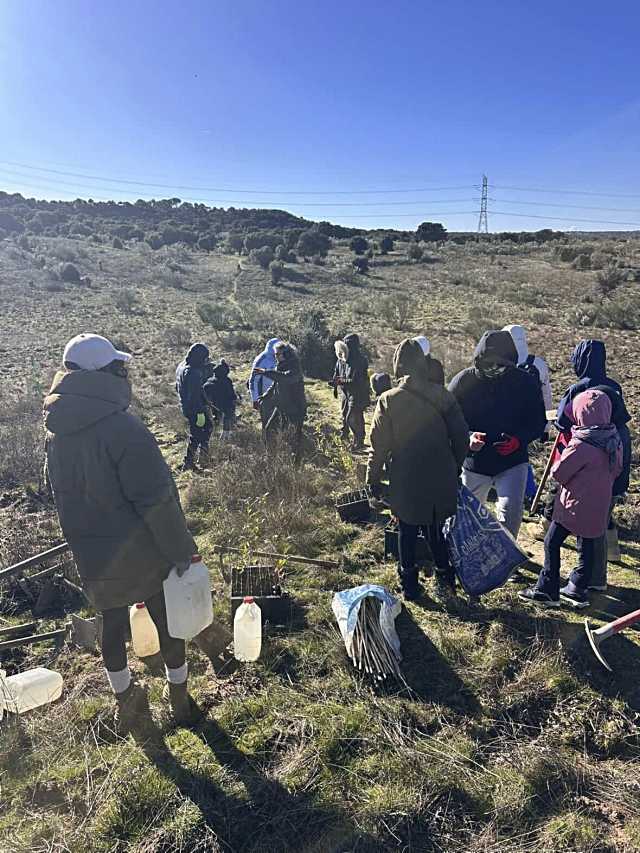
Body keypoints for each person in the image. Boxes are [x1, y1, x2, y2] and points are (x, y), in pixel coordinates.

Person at [43, 334, 199, 730]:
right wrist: (181, 549)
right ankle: (178, 697)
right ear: (105, 373)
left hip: (91, 553)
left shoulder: (56, 435)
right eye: (119, 366)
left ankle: (125, 702)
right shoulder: (123, 429)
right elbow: (156, 500)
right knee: (168, 622)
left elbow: (58, 494)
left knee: (111, 624)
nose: (124, 370)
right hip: (140, 551)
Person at [367, 339, 469, 600]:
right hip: (440, 476)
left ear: (398, 366)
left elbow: (378, 446)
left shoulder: (388, 400)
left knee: (407, 529)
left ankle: (409, 584)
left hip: (405, 478)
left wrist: (374, 479)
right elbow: (461, 439)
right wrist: (453, 468)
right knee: (435, 528)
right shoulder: (443, 395)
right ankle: (445, 583)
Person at [537, 339, 632, 586]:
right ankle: (596, 577)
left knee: (581, 518)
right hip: (614, 455)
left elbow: (562, 421)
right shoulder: (614, 387)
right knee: (599, 518)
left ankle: (579, 581)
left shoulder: (579, 390)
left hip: (583, 463)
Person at [519, 389, 622, 608]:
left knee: (552, 541)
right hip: (599, 505)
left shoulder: (581, 444)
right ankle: (577, 588)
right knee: (587, 543)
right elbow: (617, 469)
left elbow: (559, 473)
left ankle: (547, 589)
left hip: (574, 504)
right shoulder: (614, 439)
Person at [448, 330, 547, 540]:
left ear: (511, 361)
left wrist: (519, 440)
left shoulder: (525, 382)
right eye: (488, 364)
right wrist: (467, 438)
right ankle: (467, 559)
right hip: (474, 462)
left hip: (512, 462)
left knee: (510, 513)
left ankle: (505, 561)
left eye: (500, 364)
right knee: (467, 514)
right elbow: (447, 420)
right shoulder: (463, 382)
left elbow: (538, 421)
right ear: (478, 359)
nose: (494, 369)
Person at [254, 342, 307, 461]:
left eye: (278, 354)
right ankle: (271, 457)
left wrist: (266, 372)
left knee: (294, 437)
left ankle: (296, 463)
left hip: (295, 408)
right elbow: (275, 384)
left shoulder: (294, 367)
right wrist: (265, 396)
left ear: (287, 354)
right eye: (275, 354)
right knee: (269, 430)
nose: (276, 357)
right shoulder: (280, 365)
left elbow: (285, 378)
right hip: (281, 407)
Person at [176, 343, 213, 471]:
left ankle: (199, 457)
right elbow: (194, 394)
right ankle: (191, 461)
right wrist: (200, 412)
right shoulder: (194, 373)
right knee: (199, 432)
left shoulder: (182, 366)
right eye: (205, 358)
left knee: (200, 431)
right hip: (195, 409)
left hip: (187, 406)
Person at [332, 333, 370, 450]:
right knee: (345, 415)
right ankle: (345, 436)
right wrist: (335, 382)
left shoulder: (360, 361)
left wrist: (339, 381)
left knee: (353, 417)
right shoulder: (342, 358)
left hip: (358, 393)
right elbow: (337, 372)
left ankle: (359, 441)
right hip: (346, 392)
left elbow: (354, 380)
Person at [203, 359, 240, 439]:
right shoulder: (227, 381)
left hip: (212, 405)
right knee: (229, 412)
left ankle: (214, 431)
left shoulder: (209, 381)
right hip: (225, 405)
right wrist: (236, 399)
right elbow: (231, 395)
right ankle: (226, 433)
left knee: (217, 415)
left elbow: (204, 393)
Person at [249, 338, 282, 428]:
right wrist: (255, 399)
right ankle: (266, 441)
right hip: (265, 397)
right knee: (267, 424)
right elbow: (253, 380)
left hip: (279, 395)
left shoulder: (282, 357)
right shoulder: (261, 360)